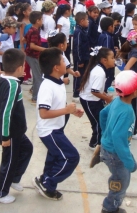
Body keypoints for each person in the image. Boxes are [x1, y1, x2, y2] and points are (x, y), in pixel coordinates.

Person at [32, 47, 84, 201]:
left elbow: (58, 104)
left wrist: (71, 111)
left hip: (57, 128)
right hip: (49, 131)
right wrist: (67, 110)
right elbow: (44, 113)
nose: (66, 63)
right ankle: (48, 182)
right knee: (71, 157)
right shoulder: (47, 87)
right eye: (63, 61)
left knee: (55, 157)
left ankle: (44, 180)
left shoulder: (58, 82)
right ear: (56, 67)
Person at [0, 49, 33, 204]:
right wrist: (5, 136)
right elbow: (5, 113)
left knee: (27, 149)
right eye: (24, 65)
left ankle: (14, 178)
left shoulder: (3, 78)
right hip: (10, 132)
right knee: (9, 162)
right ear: (20, 68)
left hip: (16, 130)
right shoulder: (12, 85)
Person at [99, 70, 137, 213]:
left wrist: (104, 135)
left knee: (118, 177)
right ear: (135, 91)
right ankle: (109, 208)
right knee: (120, 181)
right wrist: (129, 162)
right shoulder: (127, 112)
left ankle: (111, 205)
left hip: (108, 149)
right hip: (116, 155)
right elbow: (119, 139)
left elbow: (102, 114)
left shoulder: (116, 101)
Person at [79, 47, 115, 151]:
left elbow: (97, 88)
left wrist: (103, 94)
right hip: (89, 101)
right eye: (112, 58)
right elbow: (94, 91)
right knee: (98, 123)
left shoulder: (99, 69)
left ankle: (99, 143)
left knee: (101, 121)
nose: (114, 60)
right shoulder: (100, 72)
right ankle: (95, 145)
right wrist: (106, 98)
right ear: (104, 60)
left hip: (95, 100)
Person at [25, 11, 46, 103]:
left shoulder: (31, 29)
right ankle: (35, 97)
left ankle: (33, 90)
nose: (42, 21)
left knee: (38, 74)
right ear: (37, 21)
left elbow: (24, 39)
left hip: (31, 55)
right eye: (41, 19)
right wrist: (44, 49)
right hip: (33, 56)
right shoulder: (34, 31)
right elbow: (32, 45)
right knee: (38, 77)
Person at [72, 12, 90, 102]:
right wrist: (79, 60)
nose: (88, 21)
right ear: (81, 21)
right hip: (80, 59)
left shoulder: (83, 30)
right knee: (78, 75)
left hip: (85, 57)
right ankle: (76, 94)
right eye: (87, 20)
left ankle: (81, 91)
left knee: (84, 75)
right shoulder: (78, 32)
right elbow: (77, 47)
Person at [97, 17, 116, 91]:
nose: (114, 27)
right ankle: (104, 92)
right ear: (110, 27)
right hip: (106, 63)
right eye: (113, 26)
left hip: (102, 61)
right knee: (108, 77)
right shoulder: (107, 37)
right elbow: (107, 51)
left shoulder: (102, 35)